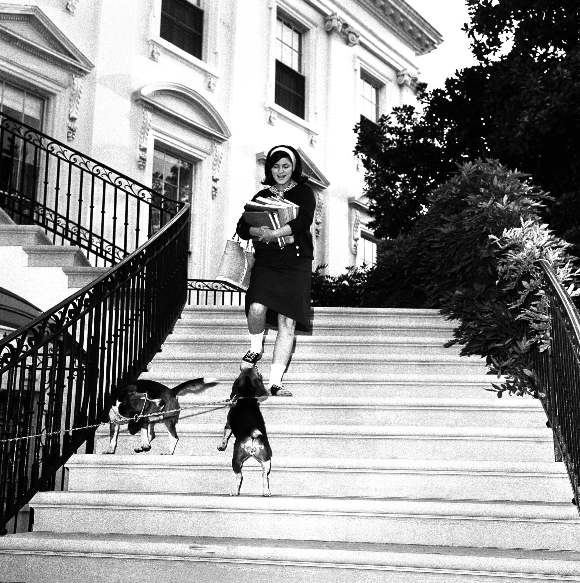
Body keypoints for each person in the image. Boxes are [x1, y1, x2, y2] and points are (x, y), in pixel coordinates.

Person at [235, 145, 316, 397]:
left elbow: (303, 221)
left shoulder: (304, 192)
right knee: (256, 307)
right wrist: (259, 232)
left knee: (287, 321)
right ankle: (256, 347)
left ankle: (275, 382)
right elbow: (241, 226)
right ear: (269, 168)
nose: (280, 171)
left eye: (286, 166)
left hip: (296, 262)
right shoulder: (261, 195)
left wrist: (275, 233)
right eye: (276, 166)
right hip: (268, 261)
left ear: (294, 168)